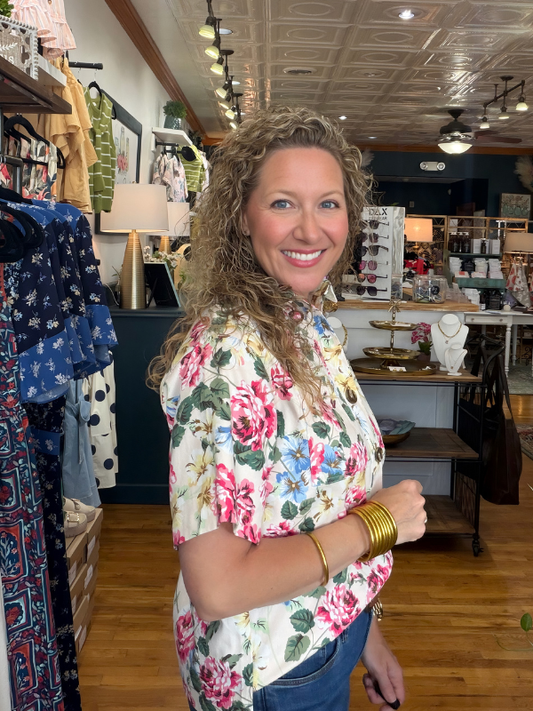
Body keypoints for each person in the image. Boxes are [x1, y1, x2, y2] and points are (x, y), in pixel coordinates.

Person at [148, 106, 426, 711]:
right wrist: (377, 526)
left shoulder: (304, 323)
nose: (310, 229)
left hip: (324, 633)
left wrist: (364, 634)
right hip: (274, 667)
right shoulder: (230, 359)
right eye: (282, 204)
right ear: (241, 219)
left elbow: (312, 508)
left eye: (328, 203)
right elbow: (218, 586)